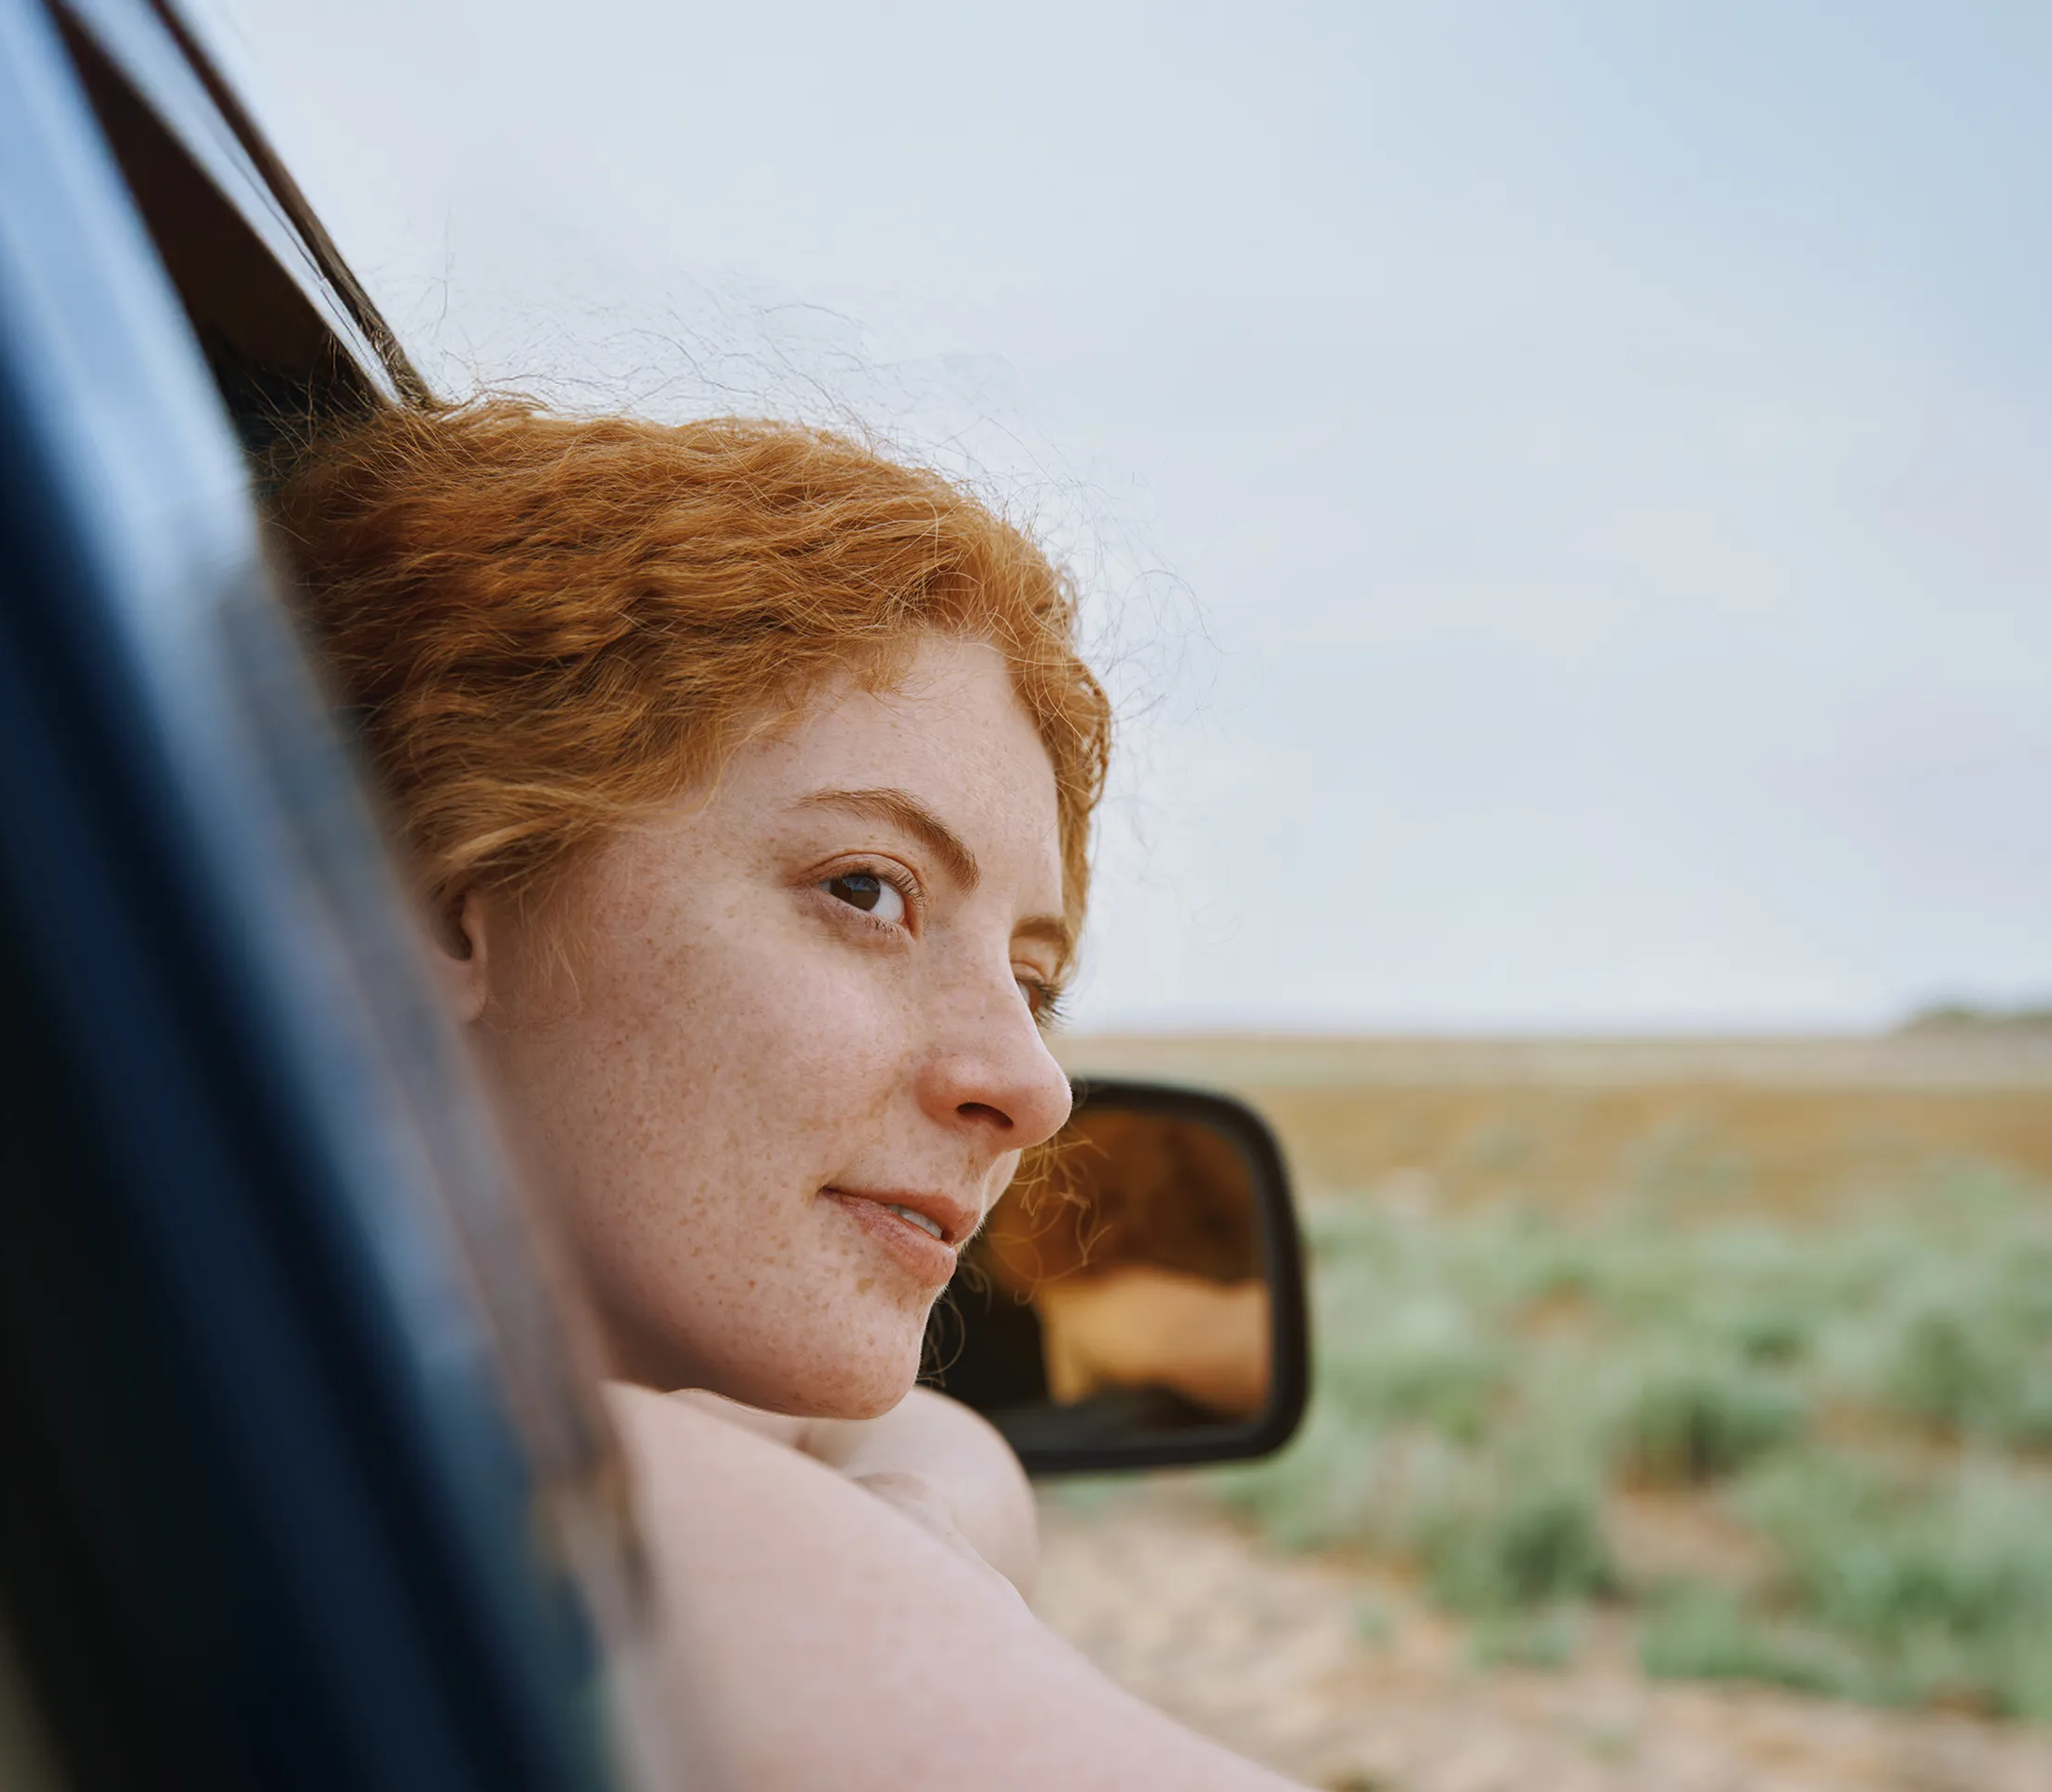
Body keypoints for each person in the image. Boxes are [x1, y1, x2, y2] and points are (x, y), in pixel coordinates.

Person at [272, 397, 1303, 1790]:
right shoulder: (552, 1510)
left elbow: (898, 1426)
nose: (1036, 1087)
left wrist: (922, 1514)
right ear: (457, 894)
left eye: (1034, 979)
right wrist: (880, 1571)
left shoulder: (297, 1385)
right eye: (869, 891)